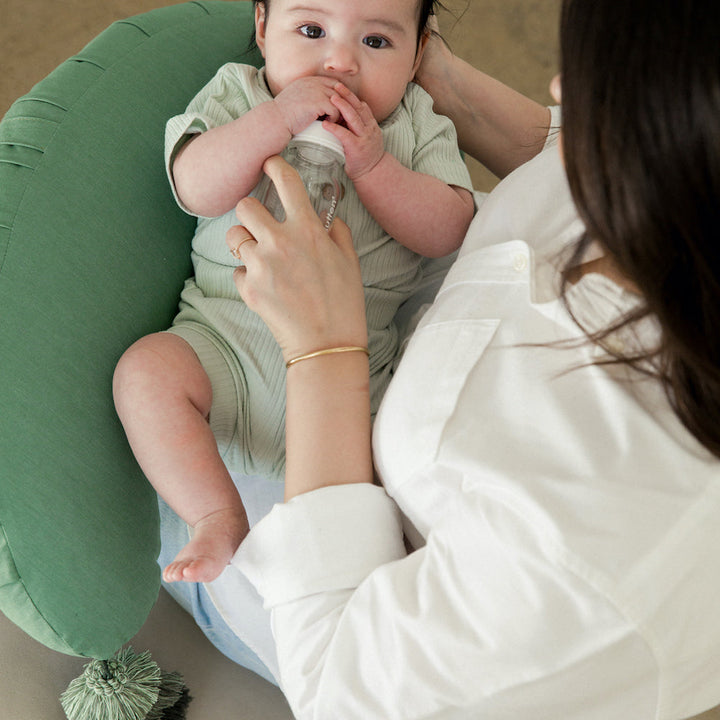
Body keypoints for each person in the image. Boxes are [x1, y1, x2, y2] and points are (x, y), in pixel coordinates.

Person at [213, 0, 720, 716]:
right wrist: (434, 77)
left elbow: (336, 689)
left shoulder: (599, 549)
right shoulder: (676, 197)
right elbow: (574, 158)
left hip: (328, 599)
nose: (558, 93)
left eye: (591, 84)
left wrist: (325, 352)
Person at [113, 0, 475, 584]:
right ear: (261, 28)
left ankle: (403, 576)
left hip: (360, 385)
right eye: (311, 31)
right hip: (224, 346)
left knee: (418, 460)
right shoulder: (241, 95)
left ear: (419, 56)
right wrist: (275, 121)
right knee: (145, 373)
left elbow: (449, 230)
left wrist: (376, 166)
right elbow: (195, 186)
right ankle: (215, 513)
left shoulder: (413, 124)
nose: (339, 63)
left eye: (376, 43)